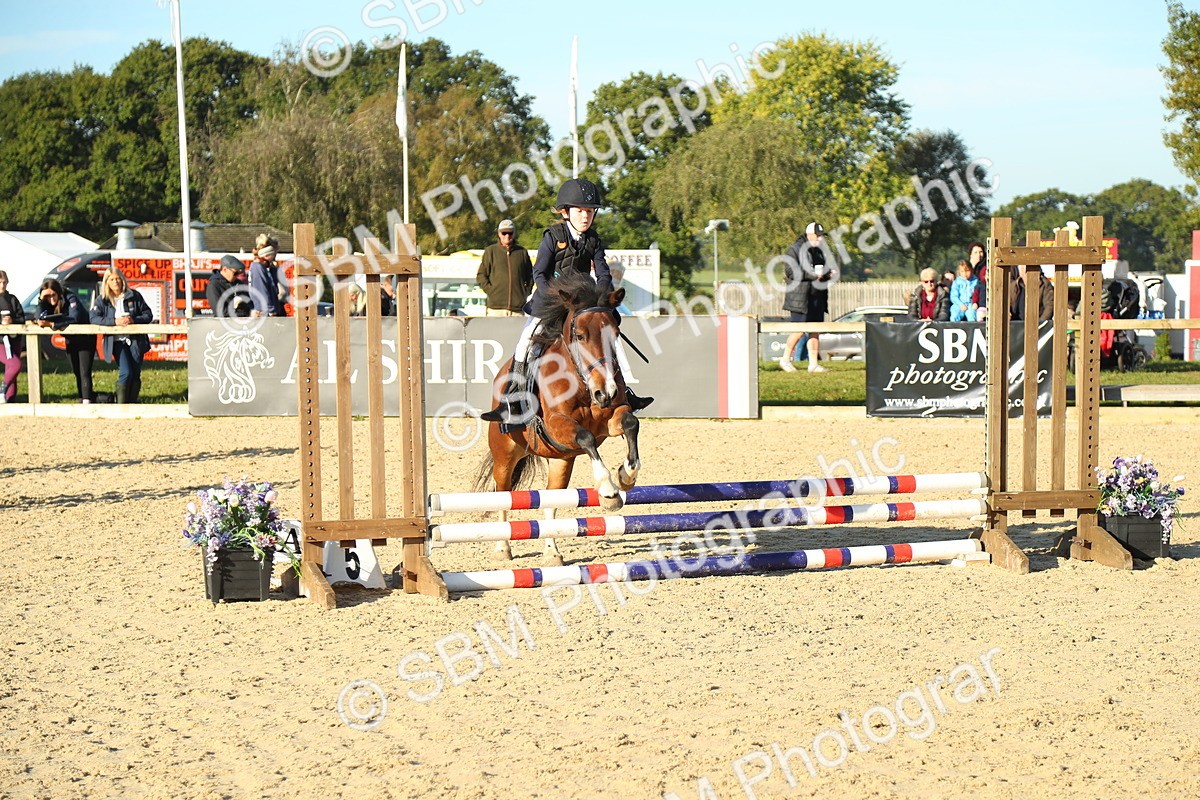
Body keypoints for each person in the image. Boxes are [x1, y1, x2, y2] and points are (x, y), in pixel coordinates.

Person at [480, 178, 652, 424]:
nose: (586, 217)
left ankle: (625, 394)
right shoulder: (553, 236)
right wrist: (556, 298)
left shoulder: (593, 240)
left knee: (607, 339)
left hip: (582, 305)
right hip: (550, 302)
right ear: (565, 212)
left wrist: (601, 300)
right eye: (580, 211)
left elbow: (603, 273)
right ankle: (512, 401)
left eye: (590, 212)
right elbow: (539, 272)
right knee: (526, 342)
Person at [90, 267, 154, 403]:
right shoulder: (103, 300)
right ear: (106, 282)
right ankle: (121, 405)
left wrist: (134, 320)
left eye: (118, 278)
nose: (115, 282)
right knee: (126, 372)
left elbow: (148, 314)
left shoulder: (134, 296)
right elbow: (94, 318)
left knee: (136, 373)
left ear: (122, 280)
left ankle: (132, 403)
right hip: (116, 341)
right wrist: (114, 322)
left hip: (136, 340)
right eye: (111, 279)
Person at [778, 222, 833, 373]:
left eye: (822, 236)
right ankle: (785, 359)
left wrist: (827, 275)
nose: (821, 239)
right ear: (809, 235)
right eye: (818, 236)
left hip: (817, 297)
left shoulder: (819, 251)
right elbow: (791, 272)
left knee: (815, 331)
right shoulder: (794, 250)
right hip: (800, 298)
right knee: (799, 330)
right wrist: (813, 275)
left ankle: (813, 364)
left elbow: (821, 271)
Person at [34, 279, 93, 403]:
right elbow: (38, 316)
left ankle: (87, 402)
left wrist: (52, 324)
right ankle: (82, 398)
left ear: (59, 293)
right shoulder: (46, 302)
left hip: (86, 338)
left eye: (53, 295)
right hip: (71, 339)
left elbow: (74, 318)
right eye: (47, 296)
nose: (51, 299)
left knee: (84, 372)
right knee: (76, 371)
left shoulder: (70, 297)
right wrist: (40, 300)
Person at [477, 219, 534, 316]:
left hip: (517, 309)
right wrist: (491, 291)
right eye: (504, 233)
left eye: (510, 233)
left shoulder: (522, 252)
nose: (507, 236)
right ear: (499, 234)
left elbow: (531, 275)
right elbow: (481, 275)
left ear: (514, 233)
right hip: (495, 309)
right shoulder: (490, 251)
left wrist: (525, 292)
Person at [0, 270, 26, 403]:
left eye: (4, 282)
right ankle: (2, 390)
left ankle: (10, 401)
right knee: (15, 365)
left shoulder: (12, 299)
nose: (2, 285)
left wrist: (12, 320)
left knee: (12, 372)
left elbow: (22, 317)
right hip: (1, 342)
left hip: (14, 338)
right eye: (0, 282)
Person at [249, 235, 286, 317]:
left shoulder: (267, 268)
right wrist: (271, 310)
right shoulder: (257, 267)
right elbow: (262, 290)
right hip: (265, 313)